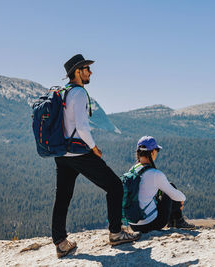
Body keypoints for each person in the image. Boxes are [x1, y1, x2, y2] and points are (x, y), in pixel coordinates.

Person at [52, 54, 140, 258]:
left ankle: (61, 243)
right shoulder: (79, 93)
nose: (90, 72)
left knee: (62, 196)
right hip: (79, 152)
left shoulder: (63, 92)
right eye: (87, 69)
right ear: (77, 71)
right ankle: (116, 233)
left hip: (61, 153)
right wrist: (94, 148)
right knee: (115, 186)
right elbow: (82, 127)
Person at [127, 136, 195, 233]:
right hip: (151, 224)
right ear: (153, 152)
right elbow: (175, 195)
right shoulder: (155, 174)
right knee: (170, 187)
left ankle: (176, 221)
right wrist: (181, 200)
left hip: (133, 225)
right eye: (157, 150)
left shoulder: (132, 170)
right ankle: (177, 221)